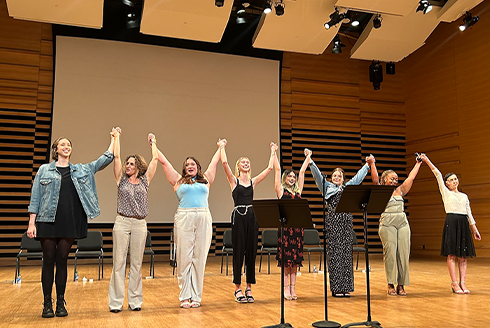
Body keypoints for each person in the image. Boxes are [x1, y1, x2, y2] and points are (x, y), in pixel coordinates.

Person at [27, 129, 116, 318]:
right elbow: (35, 197)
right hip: (46, 220)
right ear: (55, 150)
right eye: (62, 144)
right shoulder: (44, 169)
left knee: (62, 260)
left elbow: (104, 161)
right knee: (48, 260)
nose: (66, 147)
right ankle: (47, 304)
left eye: (69, 144)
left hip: (70, 221)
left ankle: (60, 302)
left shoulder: (81, 169)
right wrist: (31, 223)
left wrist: (114, 139)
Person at [157, 139, 223, 308]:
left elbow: (215, 161)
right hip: (184, 217)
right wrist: (154, 144)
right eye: (187, 165)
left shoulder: (206, 180)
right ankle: (185, 296)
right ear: (184, 169)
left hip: (203, 216)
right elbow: (164, 162)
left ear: (198, 167)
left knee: (199, 258)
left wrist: (220, 147)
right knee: (184, 257)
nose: (190, 166)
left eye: (193, 164)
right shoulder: (178, 181)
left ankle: (196, 297)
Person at [308, 150, 376, 297]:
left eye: (339, 176)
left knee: (346, 256)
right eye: (334, 176)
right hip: (333, 224)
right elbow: (317, 176)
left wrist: (367, 165)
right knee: (335, 255)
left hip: (346, 224)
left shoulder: (347, 188)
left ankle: (346, 287)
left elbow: (358, 178)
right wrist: (311, 161)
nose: (337, 177)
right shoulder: (327, 187)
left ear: (343, 178)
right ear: (331, 178)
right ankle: (336, 288)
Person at [220, 140, 278, 303]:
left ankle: (249, 288)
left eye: (248, 162)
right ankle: (237, 288)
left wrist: (273, 152)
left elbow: (269, 169)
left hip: (252, 217)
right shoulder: (234, 181)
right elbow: (224, 163)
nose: (246, 163)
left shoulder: (253, 182)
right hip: (239, 216)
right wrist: (222, 147)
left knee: (251, 252)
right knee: (239, 252)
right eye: (243, 162)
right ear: (238, 166)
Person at [108, 130, 158, 313]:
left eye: (131, 163)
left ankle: (135, 301)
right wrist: (117, 137)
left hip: (139, 223)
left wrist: (153, 143)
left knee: (136, 263)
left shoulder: (145, 181)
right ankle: (115, 302)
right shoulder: (121, 181)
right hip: (122, 223)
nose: (128, 165)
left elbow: (155, 160)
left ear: (138, 166)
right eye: (127, 163)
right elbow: (116, 156)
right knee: (119, 263)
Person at [420, 154, 481, 294]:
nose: (454, 181)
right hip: (452, 222)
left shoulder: (464, 196)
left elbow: (469, 213)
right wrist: (427, 160)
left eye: (455, 179)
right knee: (452, 254)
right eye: (451, 180)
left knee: (463, 255)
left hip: (463, 223)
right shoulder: (446, 193)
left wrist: (474, 229)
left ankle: (463, 282)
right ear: (446, 183)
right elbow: (437, 174)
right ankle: (454, 283)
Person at [372, 156, 422, 296]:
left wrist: (418, 163)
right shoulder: (380, 190)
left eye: (396, 178)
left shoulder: (400, 190)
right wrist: (372, 164)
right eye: (391, 178)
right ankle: (390, 283)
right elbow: (375, 179)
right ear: (384, 180)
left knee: (404, 253)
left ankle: (401, 284)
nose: (394, 180)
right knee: (391, 254)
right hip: (387, 223)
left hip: (402, 222)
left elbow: (410, 178)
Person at [273, 148, 311, 300]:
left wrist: (308, 157)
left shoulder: (298, 192)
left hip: (297, 230)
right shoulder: (281, 191)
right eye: (289, 176)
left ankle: (293, 289)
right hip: (285, 230)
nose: (292, 178)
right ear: (284, 178)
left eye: (293, 176)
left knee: (294, 262)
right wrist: (273, 153)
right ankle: (285, 289)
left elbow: (302, 173)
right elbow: (277, 169)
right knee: (285, 263)